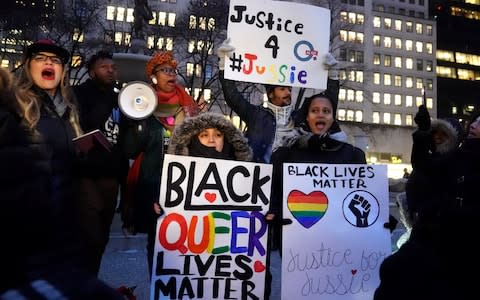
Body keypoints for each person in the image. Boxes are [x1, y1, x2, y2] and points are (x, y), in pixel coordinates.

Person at [0, 62, 124, 300]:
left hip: (68, 192)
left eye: (55, 60)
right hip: (51, 202)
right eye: (42, 58)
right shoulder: (22, 109)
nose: (49, 63)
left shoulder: (68, 104)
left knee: (92, 245)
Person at [373, 110, 480, 300]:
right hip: (430, 242)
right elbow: (423, 165)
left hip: (460, 256)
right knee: (394, 271)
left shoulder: (460, 162)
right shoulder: (457, 158)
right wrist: (422, 134)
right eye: (475, 121)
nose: (473, 125)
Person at [121, 50, 200, 275]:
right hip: (153, 183)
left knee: (183, 240)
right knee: (157, 241)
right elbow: (131, 149)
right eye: (164, 70)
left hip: (184, 184)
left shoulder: (188, 106)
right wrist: (137, 121)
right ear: (153, 77)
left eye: (173, 70)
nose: (171, 74)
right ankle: (159, 286)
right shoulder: (143, 106)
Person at [217, 38, 340, 163]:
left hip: (289, 179)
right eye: (282, 89)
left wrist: (332, 76)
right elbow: (232, 97)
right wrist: (223, 65)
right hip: (260, 177)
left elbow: (327, 103)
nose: (288, 93)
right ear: (270, 94)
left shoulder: (299, 117)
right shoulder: (256, 115)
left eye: (289, 89)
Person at [73, 50, 130, 275]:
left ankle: (89, 279)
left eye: (113, 67)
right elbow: (83, 124)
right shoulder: (79, 93)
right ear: (91, 71)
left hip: (111, 174)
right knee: (90, 234)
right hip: (87, 173)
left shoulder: (119, 98)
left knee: (101, 237)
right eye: (104, 67)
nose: (110, 70)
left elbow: (123, 138)